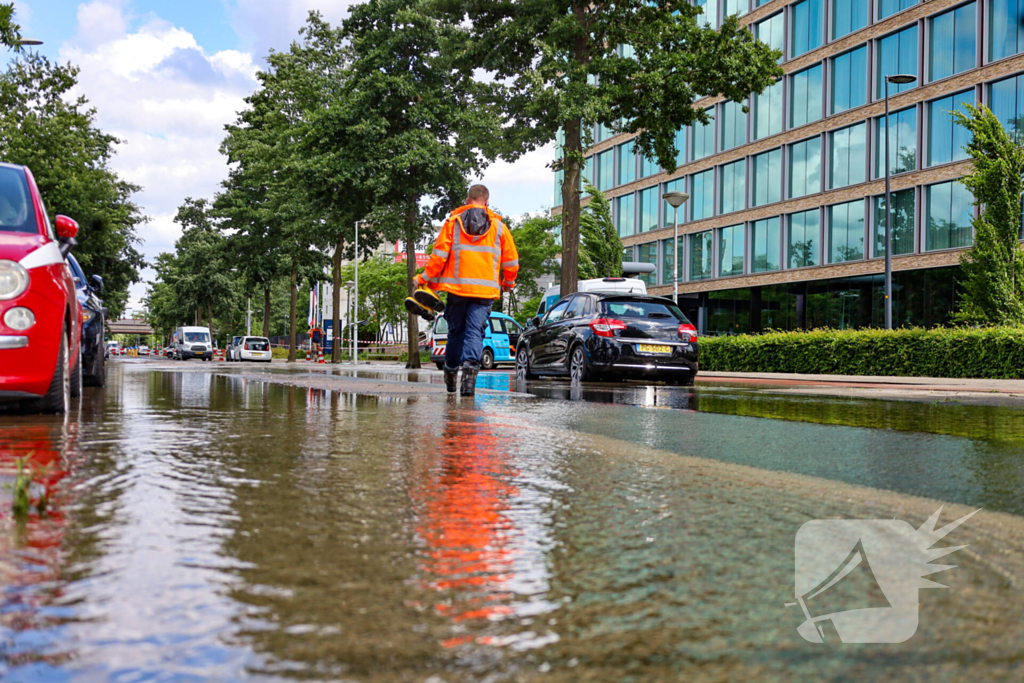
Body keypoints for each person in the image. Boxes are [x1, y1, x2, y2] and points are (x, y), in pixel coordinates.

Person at [414, 184, 518, 396]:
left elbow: (438, 257)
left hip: (457, 289)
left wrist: (423, 279)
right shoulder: (499, 228)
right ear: (486, 202)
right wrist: (509, 283)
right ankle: (469, 379)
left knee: (456, 333)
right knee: (474, 332)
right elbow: (512, 262)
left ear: (467, 200)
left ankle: (451, 373)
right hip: (484, 293)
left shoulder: (453, 224)